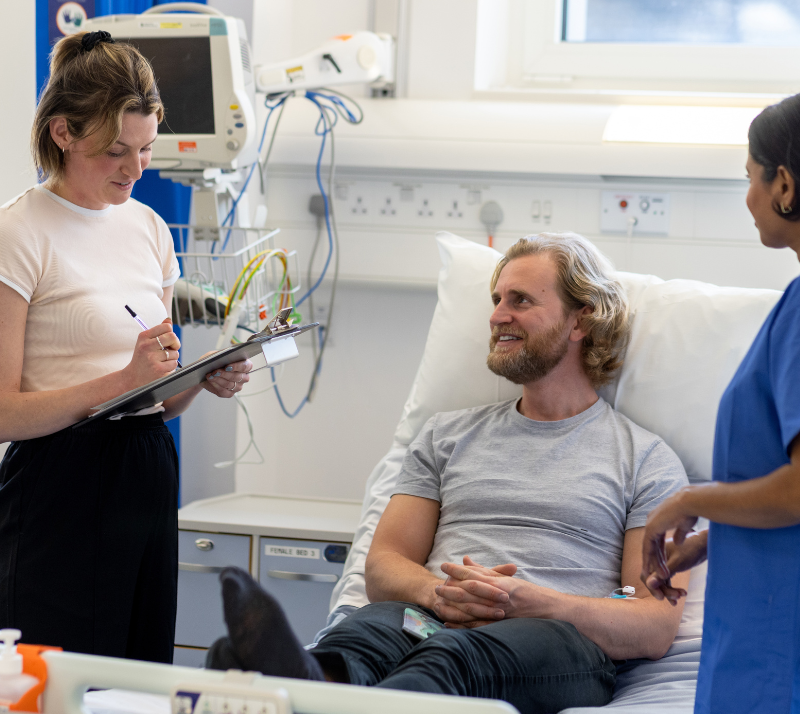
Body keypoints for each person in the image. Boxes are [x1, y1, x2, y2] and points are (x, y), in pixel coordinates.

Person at [206, 232, 690, 714]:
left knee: (455, 659)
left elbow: (654, 622)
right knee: (364, 635)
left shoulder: (645, 460)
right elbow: (383, 565)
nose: (498, 315)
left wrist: (528, 601)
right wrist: (438, 594)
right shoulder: (446, 436)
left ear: (582, 319)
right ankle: (310, 677)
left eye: (520, 301)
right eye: (497, 299)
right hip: (432, 615)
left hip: (558, 641)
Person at [0, 31, 252, 663]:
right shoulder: (19, 233)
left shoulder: (148, 228)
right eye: (116, 151)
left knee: (140, 676)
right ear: (63, 133)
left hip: (146, 467)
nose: (137, 170)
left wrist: (199, 378)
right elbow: (4, 414)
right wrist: (121, 381)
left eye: (145, 148)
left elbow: (157, 401)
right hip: (60, 482)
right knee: (60, 680)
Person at [640, 93, 800, 714]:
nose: (748, 199)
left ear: (783, 182)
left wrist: (689, 500)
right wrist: (717, 536)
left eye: (750, 179)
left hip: (776, 644)